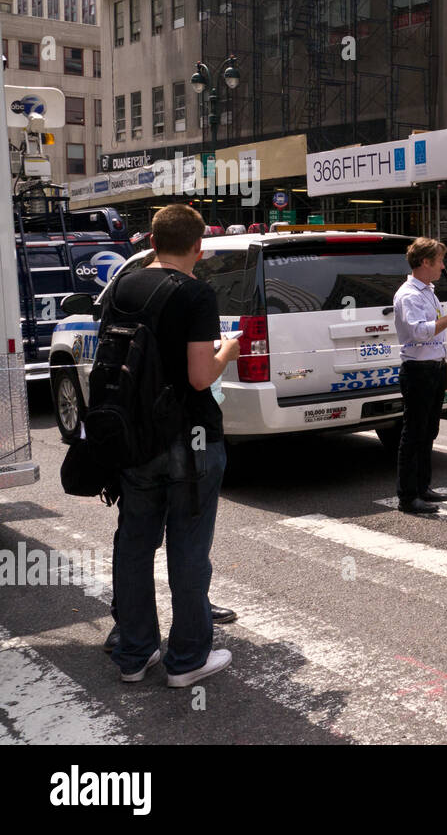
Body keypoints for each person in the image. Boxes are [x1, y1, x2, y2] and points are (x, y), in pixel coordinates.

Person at [109, 204, 241, 687]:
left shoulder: (125, 286)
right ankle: (186, 661)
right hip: (190, 439)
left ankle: (134, 653)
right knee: (188, 547)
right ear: (198, 248)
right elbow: (200, 376)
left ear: (151, 241)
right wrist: (229, 348)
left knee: (134, 544)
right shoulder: (196, 293)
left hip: (132, 435)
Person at [392, 238, 447, 515]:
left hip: (433, 369)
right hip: (418, 370)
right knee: (413, 434)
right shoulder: (409, 295)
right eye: (439, 260)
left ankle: (423, 487)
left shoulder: (427, 291)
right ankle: (407, 496)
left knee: (428, 432)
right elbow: (419, 331)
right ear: (425, 262)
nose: (442, 265)